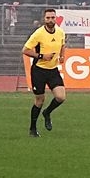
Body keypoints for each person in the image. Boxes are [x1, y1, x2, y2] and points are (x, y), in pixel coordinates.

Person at [22, 7, 67, 137]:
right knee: (39, 100)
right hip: (39, 71)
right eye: (48, 18)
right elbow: (25, 50)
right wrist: (42, 56)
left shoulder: (60, 32)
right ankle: (33, 129)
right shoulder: (38, 34)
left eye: (53, 17)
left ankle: (47, 112)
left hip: (53, 70)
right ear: (44, 19)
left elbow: (63, 44)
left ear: (56, 18)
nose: (50, 20)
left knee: (61, 97)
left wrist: (62, 56)